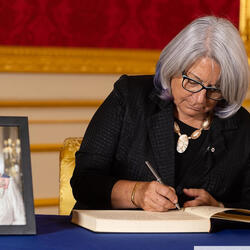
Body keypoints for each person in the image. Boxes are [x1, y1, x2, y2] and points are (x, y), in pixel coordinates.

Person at [70, 16, 250, 212]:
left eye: (214, 89)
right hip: (118, 239)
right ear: (172, 67)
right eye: (191, 82)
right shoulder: (130, 97)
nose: (199, 99)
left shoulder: (242, 127)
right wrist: (135, 193)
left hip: (197, 241)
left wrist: (219, 208)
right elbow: (84, 182)